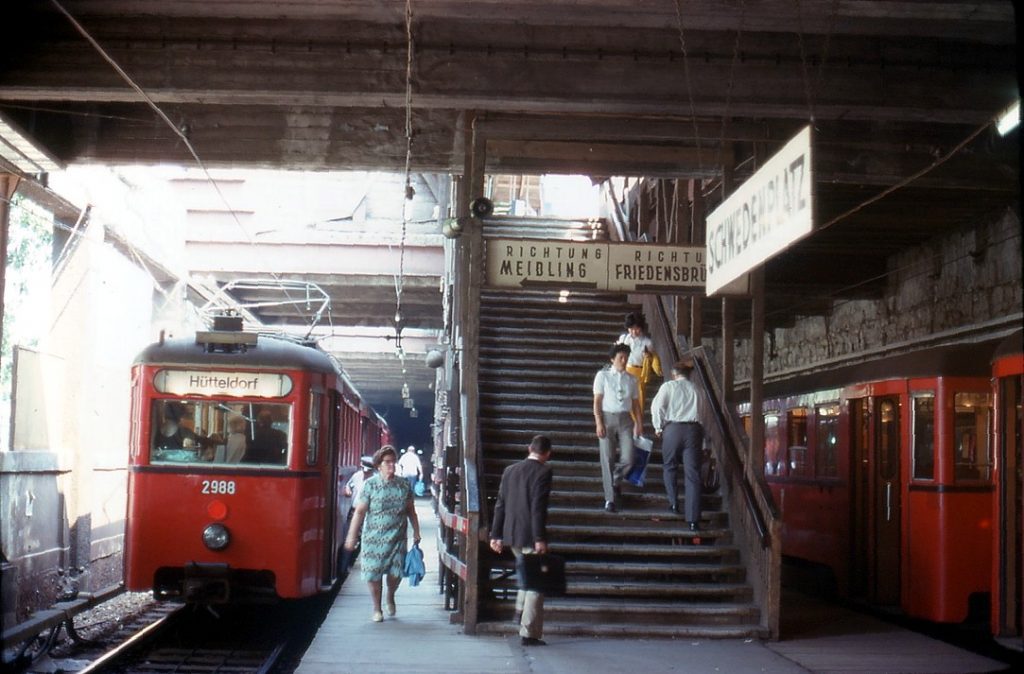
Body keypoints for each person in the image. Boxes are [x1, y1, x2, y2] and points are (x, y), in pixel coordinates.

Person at [489, 434, 554, 647]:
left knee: (527, 576)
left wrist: (495, 535)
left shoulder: (510, 471)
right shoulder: (544, 472)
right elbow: (538, 507)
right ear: (548, 453)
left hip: (512, 534)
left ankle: (519, 610)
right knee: (536, 583)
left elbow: (500, 504)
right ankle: (529, 632)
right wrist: (539, 538)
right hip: (530, 535)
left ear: (529, 449)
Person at [344, 445, 421, 623]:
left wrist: (416, 531)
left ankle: (390, 595)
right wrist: (351, 536)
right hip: (373, 538)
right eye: (387, 462)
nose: (391, 465)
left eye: (393, 462)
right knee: (373, 573)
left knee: (396, 573)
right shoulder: (370, 485)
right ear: (379, 465)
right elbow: (360, 512)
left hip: (397, 537)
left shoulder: (403, 485)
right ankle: (377, 607)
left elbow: (411, 511)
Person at [651, 358, 709, 531]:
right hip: (694, 431)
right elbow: (703, 415)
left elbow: (657, 407)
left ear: (673, 374)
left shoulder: (668, 387)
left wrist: (658, 426)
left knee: (670, 466)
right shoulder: (698, 390)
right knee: (693, 474)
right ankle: (693, 520)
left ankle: (674, 503)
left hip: (673, 430)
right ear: (689, 375)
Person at [593, 343, 642, 512]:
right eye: (621, 357)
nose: (624, 360)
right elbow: (597, 401)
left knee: (629, 458)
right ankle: (609, 499)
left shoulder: (632, 379)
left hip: (626, 419)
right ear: (613, 359)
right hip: (607, 417)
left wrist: (639, 423)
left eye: (626, 358)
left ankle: (615, 480)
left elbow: (636, 404)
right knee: (607, 458)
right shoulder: (603, 376)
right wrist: (598, 421)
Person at [617, 312, 661, 416]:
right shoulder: (624, 338)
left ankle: (637, 423)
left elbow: (652, 359)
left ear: (641, 328)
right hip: (626, 370)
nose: (634, 331)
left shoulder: (647, 342)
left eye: (636, 328)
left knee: (639, 398)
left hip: (639, 372)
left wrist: (648, 356)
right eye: (631, 328)